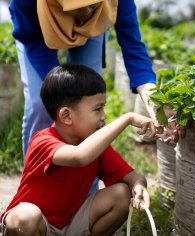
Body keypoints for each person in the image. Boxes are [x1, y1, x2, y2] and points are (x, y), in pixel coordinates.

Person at [9, 0, 179, 157]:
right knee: (42, 104)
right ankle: (36, 177)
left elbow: (132, 44)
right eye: (78, 8)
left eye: (92, 5)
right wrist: (58, 92)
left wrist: (153, 100)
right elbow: (29, 38)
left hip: (95, 30)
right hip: (38, 34)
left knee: (88, 105)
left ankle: (86, 185)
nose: (86, 15)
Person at [0, 63, 158, 236]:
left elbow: (132, 176)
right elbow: (79, 156)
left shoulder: (96, 146)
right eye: (98, 109)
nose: (103, 116)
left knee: (122, 194)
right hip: (38, 226)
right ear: (66, 116)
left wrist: (138, 185)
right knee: (24, 217)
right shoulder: (43, 141)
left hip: (71, 223)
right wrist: (128, 118)